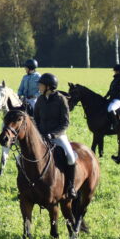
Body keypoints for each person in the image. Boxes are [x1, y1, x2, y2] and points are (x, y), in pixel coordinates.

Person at [33, 72, 78, 200]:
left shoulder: (61, 99)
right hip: (41, 136)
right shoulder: (40, 99)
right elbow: (35, 119)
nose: (39, 87)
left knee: (70, 157)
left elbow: (65, 122)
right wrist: (38, 133)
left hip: (58, 135)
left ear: (48, 86)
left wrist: (53, 134)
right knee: (22, 156)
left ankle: (71, 186)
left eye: (41, 85)